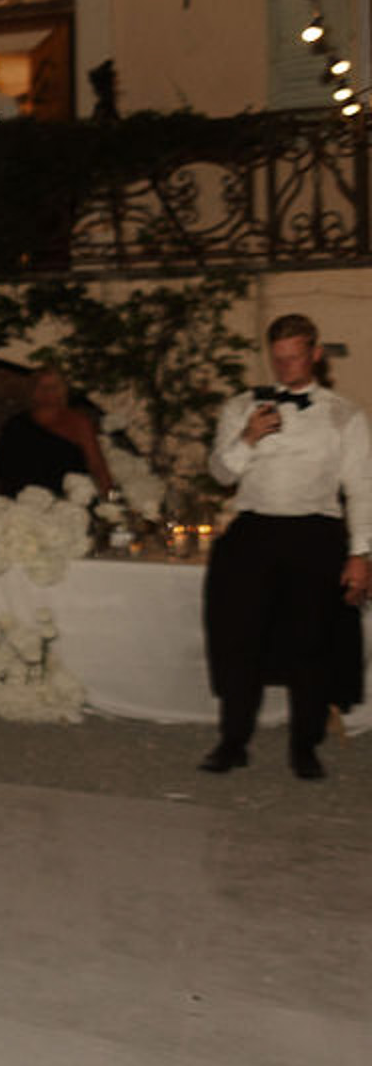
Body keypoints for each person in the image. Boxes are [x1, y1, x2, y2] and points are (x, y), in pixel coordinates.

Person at [202, 314, 372, 780]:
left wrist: (361, 554)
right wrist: (249, 438)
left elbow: (361, 487)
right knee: (238, 642)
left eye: (294, 357)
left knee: (310, 646)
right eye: (277, 359)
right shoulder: (241, 407)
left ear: (315, 354)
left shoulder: (345, 414)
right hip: (253, 532)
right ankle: (232, 741)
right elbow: (220, 474)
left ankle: (305, 745)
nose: (285, 367)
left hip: (315, 534)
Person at [0, 366, 112, 497]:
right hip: (24, 498)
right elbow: (0, 467)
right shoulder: (17, 424)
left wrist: (112, 498)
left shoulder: (79, 423)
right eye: (42, 388)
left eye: (53, 388)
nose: (48, 393)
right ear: (33, 391)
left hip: (67, 498)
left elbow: (97, 465)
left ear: (62, 391)